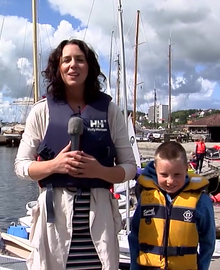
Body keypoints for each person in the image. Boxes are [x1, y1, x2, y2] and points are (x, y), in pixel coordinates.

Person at [14, 39, 137, 269]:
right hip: (55, 217)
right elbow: (21, 166)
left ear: (89, 67)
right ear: (57, 67)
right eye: (66, 60)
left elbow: (129, 167)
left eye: (80, 59)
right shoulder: (41, 111)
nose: (73, 65)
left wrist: (100, 171)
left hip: (99, 216)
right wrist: (54, 165)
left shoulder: (110, 111)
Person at [128, 142, 215, 270]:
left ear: (186, 169)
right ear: (155, 170)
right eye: (164, 175)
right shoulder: (146, 198)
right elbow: (135, 236)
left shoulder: (201, 201)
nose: (170, 181)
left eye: (177, 175)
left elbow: (208, 241)